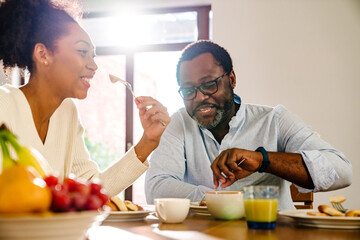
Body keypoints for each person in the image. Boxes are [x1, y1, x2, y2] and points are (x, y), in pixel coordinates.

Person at [145, 40, 352, 210]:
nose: (199, 98)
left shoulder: (274, 120)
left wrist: (263, 159)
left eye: (209, 85)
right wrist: (220, 200)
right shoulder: (180, 122)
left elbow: (342, 171)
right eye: (189, 90)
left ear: (232, 79)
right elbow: (156, 187)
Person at [0, 0, 170, 197]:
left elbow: (91, 188)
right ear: (43, 54)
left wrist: (148, 141)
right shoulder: (4, 105)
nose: (94, 66)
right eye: (82, 52)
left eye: (93, 55)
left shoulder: (67, 112)